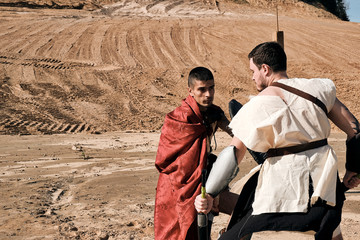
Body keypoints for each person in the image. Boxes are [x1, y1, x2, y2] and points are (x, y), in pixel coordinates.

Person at [195, 42, 360, 240]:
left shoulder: (259, 104)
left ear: (265, 69)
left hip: (285, 188)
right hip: (325, 184)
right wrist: (354, 168)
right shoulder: (318, 88)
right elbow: (354, 129)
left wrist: (210, 193)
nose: (252, 76)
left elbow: (233, 154)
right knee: (329, 227)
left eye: (253, 71)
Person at [154, 66, 234, 240]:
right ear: (190, 91)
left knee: (238, 209)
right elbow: (164, 159)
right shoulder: (179, 118)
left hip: (205, 179)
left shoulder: (214, 113)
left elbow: (235, 133)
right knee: (180, 231)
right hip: (177, 185)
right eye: (202, 89)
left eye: (211, 88)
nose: (208, 94)